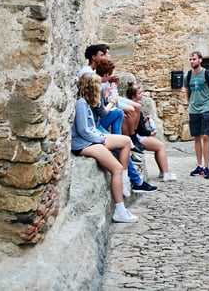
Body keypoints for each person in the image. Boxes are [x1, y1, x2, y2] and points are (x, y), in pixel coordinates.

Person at [78, 44, 156, 194]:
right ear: (94, 57)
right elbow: (98, 113)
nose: (107, 56)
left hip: (96, 120)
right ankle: (134, 179)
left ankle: (126, 139)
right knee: (121, 145)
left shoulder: (95, 81)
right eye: (104, 54)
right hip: (94, 125)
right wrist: (111, 100)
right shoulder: (90, 80)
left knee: (119, 115)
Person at [71, 73, 138, 223]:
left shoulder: (88, 102)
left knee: (125, 141)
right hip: (84, 143)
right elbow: (83, 130)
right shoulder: (81, 103)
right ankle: (120, 210)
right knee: (116, 168)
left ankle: (125, 180)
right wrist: (100, 139)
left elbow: (94, 122)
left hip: (91, 139)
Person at [125, 82, 177, 182]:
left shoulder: (129, 106)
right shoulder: (135, 108)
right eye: (139, 93)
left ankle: (163, 171)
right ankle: (165, 173)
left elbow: (136, 124)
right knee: (161, 146)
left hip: (137, 135)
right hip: (138, 137)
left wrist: (143, 121)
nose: (141, 95)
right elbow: (140, 129)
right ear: (133, 95)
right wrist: (150, 133)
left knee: (158, 147)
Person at [184, 51, 209, 179]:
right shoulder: (187, 76)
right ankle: (199, 166)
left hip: (205, 108)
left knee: (205, 136)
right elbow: (187, 91)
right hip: (194, 109)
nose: (192, 61)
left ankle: (206, 167)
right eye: (190, 59)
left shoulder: (207, 74)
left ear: (200, 60)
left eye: (194, 59)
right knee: (197, 137)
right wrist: (190, 104)